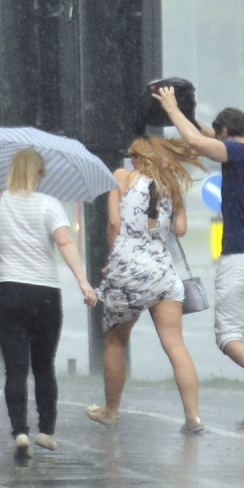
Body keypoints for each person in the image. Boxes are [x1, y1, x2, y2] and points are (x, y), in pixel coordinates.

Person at [153, 86, 244, 428]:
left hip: (241, 257)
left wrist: (171, 109)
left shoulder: (237, 154)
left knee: (228, 337)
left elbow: (201, 144)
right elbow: (208, 135)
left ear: (228, 135)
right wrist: (190, 116)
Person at [86, 135, 207, 434]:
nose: (130, 161)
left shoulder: (121, 177)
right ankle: (193, 416)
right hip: (163, 273)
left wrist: (115, 260)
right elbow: (180, 229)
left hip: (129, 271)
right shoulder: (171, 184)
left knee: (115, 341)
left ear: (140, 158)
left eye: (133, 156)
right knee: (175, 345)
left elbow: (114, 224)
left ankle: (110, 410)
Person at [0, 148, 97, 458]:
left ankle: (20, 431)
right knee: (44, 366)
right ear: (40, 174)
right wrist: (84, 282)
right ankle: (46, 431)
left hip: (7, 290)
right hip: (44, 293)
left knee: (15, 368)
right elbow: (64, 242)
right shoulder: (49, 205)